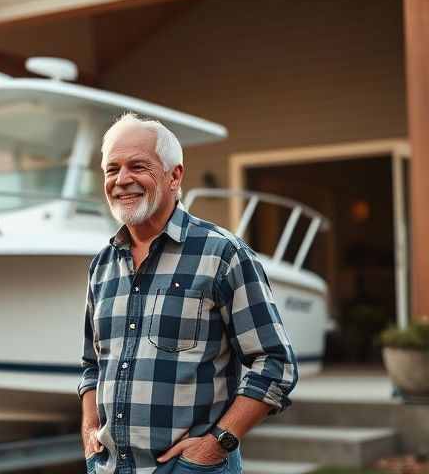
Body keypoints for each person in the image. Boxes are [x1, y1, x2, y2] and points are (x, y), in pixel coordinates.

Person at [78, 113, 298, 474]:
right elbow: (92, 365)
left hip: (192, 469)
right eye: (111, 169)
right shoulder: (102, 265)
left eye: (137, 166)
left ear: (174, 175)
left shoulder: (223, 254)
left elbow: (276, 364)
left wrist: (218, 444)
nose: (122, 180)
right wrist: (89, 432)